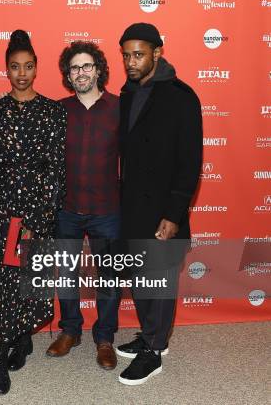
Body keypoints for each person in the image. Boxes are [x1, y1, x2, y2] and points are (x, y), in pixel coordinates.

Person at [0, 30, 66, 395]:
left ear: (36, 68)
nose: (22, 74)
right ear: (6, 70)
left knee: (27, 282)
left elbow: (57, 168)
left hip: (35, 212)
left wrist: (41, 215)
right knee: (1, 280)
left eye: (28, 66)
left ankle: (15, 343)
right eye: (15, 67)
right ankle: (4, 351)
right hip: (0, 212)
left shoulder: (52, 111)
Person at [116, 23, 202, 385]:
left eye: (138, 54)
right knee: (140, 277)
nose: (131, 62)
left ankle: (153, 350)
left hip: (164, 208)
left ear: (157, 52)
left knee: (160, 281)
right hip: (132, 206)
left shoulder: (181, 96)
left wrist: (174, 214)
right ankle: (153, 335)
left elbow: (190, 160)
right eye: (126, 56)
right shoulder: (126, 93)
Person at [45, 41, 121, 371]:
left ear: (99, 69)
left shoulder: (120, 108)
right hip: (67, 209)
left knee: (109, 277)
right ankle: (70, 330)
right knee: (65, 275)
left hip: (108, 209)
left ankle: (104, 338)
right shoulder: (57, 110)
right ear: (67, 74)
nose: (81, 72)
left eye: (87, 66)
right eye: (74, 67)